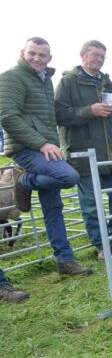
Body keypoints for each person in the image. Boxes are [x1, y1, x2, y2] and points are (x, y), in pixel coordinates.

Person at [0, 37, 93, 276]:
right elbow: (8, 116)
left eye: (42, 55)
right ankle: (24, 180)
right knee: (69, 176)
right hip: (27, 149)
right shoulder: (11, 77)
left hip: (47, 147)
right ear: (23, 52)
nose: (37, 58)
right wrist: (41, 144)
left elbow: (46, 118)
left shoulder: (44, 80)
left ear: (49, 58)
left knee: (54, 208)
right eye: (32, 53)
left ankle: (65, 260)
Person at [55, 39, 112, 261]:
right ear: (83, 55)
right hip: (83, 155)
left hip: (110, 155)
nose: (98, 59)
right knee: (91, 203)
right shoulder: (68, 82)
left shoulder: (108, 84)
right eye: (94, 55)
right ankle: (101, 245)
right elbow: (59, 115)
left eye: (101, 56)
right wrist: (90, 110)